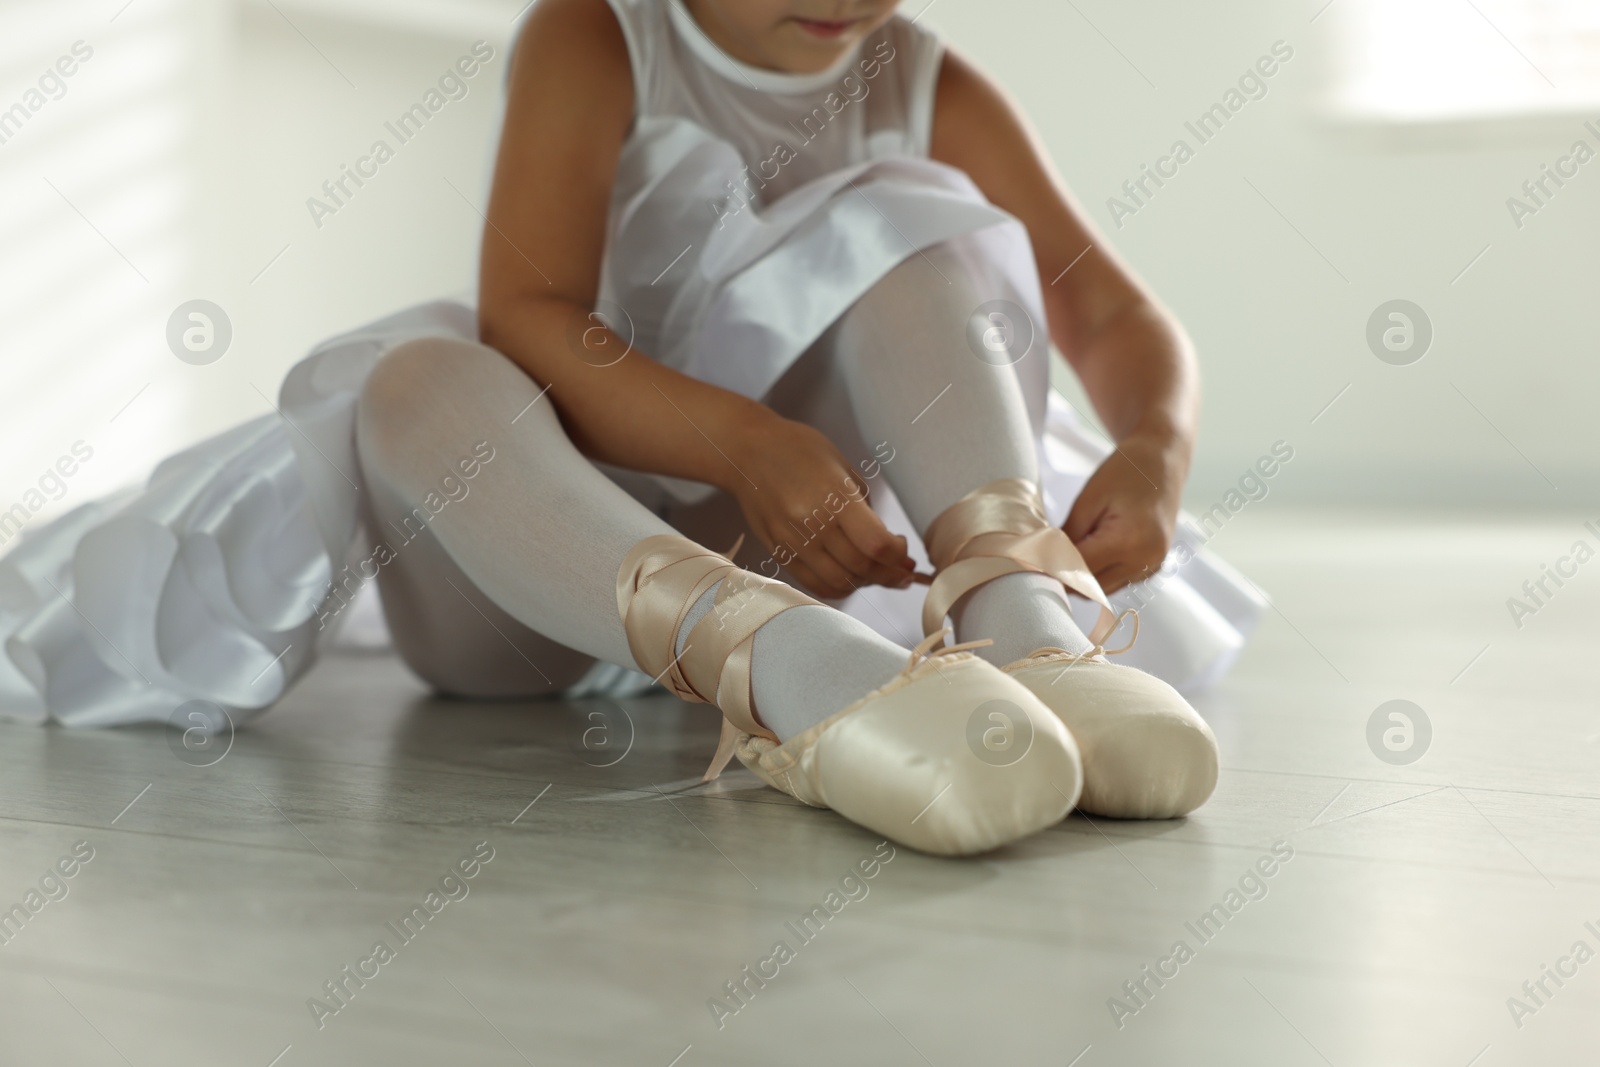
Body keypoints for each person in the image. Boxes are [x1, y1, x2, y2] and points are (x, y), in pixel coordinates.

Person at [0, 0, 1264, 855]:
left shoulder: (924, 77)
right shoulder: (598, 33)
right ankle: (796, 676)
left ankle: (1023, 623)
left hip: (811, 541)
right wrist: (734, 440)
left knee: (914, 223)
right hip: (540, 579)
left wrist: (1153, 443)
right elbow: (534, 313)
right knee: (413, 379)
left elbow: (1107, 309)